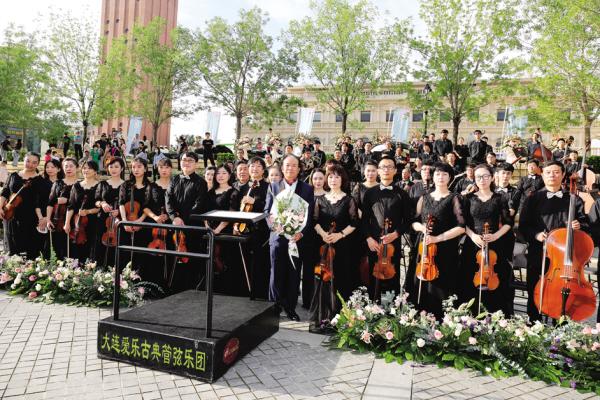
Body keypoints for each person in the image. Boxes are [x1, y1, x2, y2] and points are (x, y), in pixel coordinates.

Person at [519, 161, 589, 321]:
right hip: (540, 253)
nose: (552, 175)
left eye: (556, 172)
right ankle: (534, 324)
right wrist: (536, 235)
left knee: (565, 292)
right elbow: (523, 226)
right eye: (548, 172)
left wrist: (579, 225)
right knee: (535, 289)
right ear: (542, 174)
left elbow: (585, 225)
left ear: (563, 175)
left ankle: (562, 327)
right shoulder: (532, 198)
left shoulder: (574, 199)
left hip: (566, 257)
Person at [408, 163, 465, 319]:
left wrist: (437, 238)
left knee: (441, 285)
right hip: (423, 246)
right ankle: (416, 319)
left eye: (445, 174)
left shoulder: (454, 198)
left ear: (450, 178)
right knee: (419, 283)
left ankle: (439, 322)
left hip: (445, 248)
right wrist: (421, 227)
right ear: (432, 177)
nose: (441, 177)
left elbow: (461, 227)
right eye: (438, 174)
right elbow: (413, 221)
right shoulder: (424, 198)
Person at [264, 154, 315, 321]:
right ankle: (273, 307)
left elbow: (309, 216)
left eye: (294, 165)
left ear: (299, 169)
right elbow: (267, 212)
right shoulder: (273, 186)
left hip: (296, 240)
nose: (290, 168)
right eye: (287, 165)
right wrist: (274, 226)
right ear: (282, 167)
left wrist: (301, 232)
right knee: (276, 273)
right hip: (278, 238)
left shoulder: (307, 189)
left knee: (294, 275)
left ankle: (291, 308)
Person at [459, 164, 513, 316]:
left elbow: (508, 223)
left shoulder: (500, 198)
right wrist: (473, 235)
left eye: (485, 176)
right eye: (478, 177)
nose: (482, 180)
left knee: (495, 281)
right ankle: (470, 317)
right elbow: (463, 224)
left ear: (492, 177)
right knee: (469, 279)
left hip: (495, 245)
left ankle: (494, 317)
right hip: (473, 244)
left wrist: (495, 235)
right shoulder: (468, 199)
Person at [310, 165, 359, 333]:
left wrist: (340, 235)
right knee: (323, 280)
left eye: (337, 177)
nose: (333, 180)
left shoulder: (349, 200)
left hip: (343, 247)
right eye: (330, 177)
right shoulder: (320, 200)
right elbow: (314, 221)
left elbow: (354, 223)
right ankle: (324, 318)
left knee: (341, 280)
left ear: (342, 180)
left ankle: (340, 319)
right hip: (323, 246)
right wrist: (323, 234)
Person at [361, 156, 412, 299]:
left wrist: (396, 234)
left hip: (393, 243)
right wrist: (369, 238)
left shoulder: (402, 194)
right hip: (374, 243)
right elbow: (364, 219)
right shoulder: (370, 193)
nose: (386, 170)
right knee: (373, 275)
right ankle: (372, 309)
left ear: (395, 170)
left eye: (390, 167)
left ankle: (391, 310)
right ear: (378, 170)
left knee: (392, 276)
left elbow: (408, 220)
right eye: (383, 166)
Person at [165, 152, 208, 291]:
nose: (186, 162)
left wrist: (184, 219)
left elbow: (199, 204)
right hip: (176, 225)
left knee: (191, 258)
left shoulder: (200, 182)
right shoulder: (174, 179)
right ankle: (174, 289)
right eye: (184, 160)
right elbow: (168, 199)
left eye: (190, 160)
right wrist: (174, 217)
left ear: (196, 163)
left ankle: (191, 290)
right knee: (175, 257)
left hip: (192, 226)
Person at [235, 157, 271, 299]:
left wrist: (254, 201)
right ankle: (245, 292)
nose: (254, 169)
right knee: (245, 262)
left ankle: (260, 293)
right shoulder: (243, 187)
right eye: (251, 166)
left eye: (258, 166)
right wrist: (236, 223)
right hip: (244, 229)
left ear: (263, 169)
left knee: (260, 263)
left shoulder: (268, 187)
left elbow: (268, 208)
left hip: (261, 231)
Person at [205, 164, 242, 295]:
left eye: (224, 173)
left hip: (224, 232)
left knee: (224, 261)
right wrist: (207, 226)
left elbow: (231, 213)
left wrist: (219, 228)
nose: (220, 176)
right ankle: (210, 289)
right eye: (218, 173)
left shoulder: (234, 192)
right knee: (210, 261)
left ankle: (226, 291)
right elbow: (204, 211)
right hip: (209, 232)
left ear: (230, 175)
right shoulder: (210, 192)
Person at [0, 152, 44, 259]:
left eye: (34, 162)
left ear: (38, 164)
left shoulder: (40, 180)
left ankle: (29, 273)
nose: (30, 164)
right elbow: (5, 192)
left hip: (31, 217)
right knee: (13, 248)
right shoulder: (13, 175)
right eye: (28, 161)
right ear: (23, 160)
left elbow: (40, 200)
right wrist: (0, 206)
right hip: (11, 214)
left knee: (31, 249)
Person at [64, 161, 100, 262]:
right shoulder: (76, 186)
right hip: (77, 222)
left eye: (89, 168)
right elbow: (71, 205)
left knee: (91, 247)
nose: (86, 170)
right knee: (75, 248)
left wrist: (88, 212)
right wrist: (67, 223)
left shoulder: (100, 186)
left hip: (93, 222)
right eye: (84, 168)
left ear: (95, 171)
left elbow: (100, 206)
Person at [94, 157, 125, 268]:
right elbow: (96, 201)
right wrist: (102, 203)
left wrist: (121, 212)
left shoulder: (127, 185)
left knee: (118, 248)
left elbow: (129, 205)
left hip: (119, 222)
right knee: (101, 248)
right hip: (103, 221)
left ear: (122, 169)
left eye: (116, 166)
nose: (113, 169)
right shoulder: (102, 184)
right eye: (111, 166)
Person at [46, 158, 79, 259]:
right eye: (66, 166)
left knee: (73, 247)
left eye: (71, 166)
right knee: (58, 245)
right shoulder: (58, 183)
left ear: (77, 168)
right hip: (57, 218)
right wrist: (48, 219)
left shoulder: (80, 184)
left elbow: (82, 202)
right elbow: (50, 203)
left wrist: (67, 200)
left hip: (75, 219)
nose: (68, 168)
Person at [36, 159, 63, 258]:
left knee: (57, 244)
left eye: (53, 167)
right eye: (47, 167)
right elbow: (37, 203)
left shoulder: (62, 183)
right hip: (41, 215)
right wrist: (41, 218)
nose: (49, 169)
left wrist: (48, 218)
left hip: (57, 216)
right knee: (42, 245)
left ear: (59, 169)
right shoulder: (41, 182)